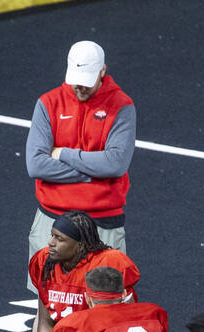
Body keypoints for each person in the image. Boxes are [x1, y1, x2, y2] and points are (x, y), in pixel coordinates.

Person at [25, 41, 135, 260]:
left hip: (102, 223)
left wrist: (63, 154)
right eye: (76, 80)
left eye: (86, 81)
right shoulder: (48, 103)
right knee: (48, 294)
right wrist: (96, 172)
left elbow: (115, 164)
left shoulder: (122, 106)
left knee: (103, 294)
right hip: (51, 218)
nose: (80, 87)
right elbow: (36, 165)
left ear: (102, 70)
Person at [29, 211, 140, 332]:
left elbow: (127, 321)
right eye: (52, 235)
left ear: (80, 246)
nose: (51, 243)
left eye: (59, 239)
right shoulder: (44, 261)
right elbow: (46, 323)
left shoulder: (108, 263)